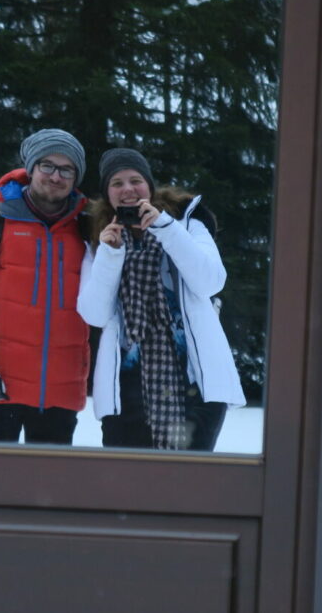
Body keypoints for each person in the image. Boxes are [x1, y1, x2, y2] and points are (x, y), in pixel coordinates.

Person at [77, 148, 245, 450]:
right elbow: (94, 314)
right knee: (126, 484)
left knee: (188, 482)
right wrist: (110, 254)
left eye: (135, 180)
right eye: (117, 183)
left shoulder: (187, 223)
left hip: (194, 383)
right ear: (107, 194)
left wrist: (165, 228)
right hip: (126, 386)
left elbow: (210, 282)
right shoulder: (97, 239)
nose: (128, 189)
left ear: (149, 187)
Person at [0, 128, 90, 444]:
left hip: (60, 391)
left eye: (67, 169)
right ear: (32, 168)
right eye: (47, 166)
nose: (56, 176)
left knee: (49, 489)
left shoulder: (89, 229)